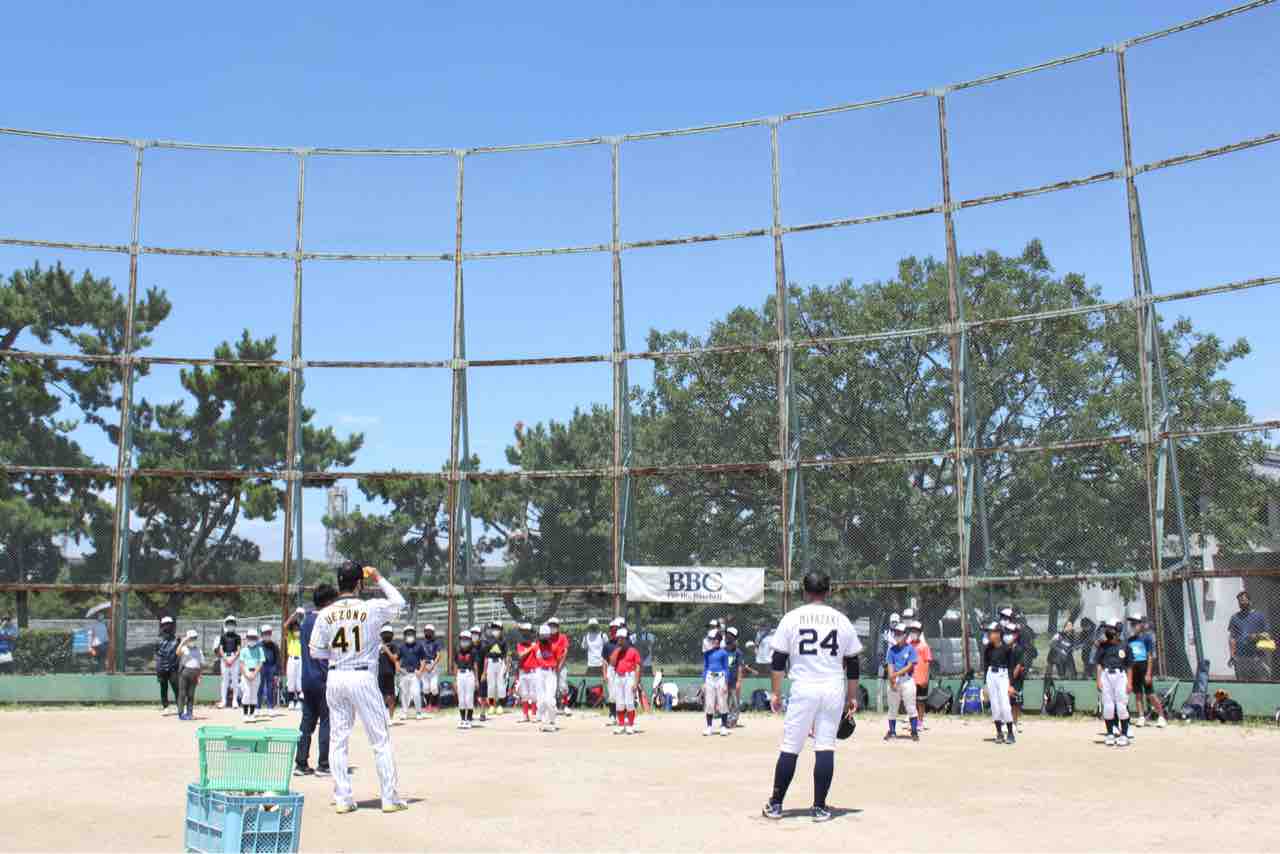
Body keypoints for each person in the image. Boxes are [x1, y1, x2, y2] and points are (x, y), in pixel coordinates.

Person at [308, 561, 408, 814]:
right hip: (362, 676)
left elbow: (315, 652)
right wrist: (378, 577)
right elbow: (399, 603)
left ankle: (343, 798)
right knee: (380, 739)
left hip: (335, 676)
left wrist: (337, 655)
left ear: (338, 583)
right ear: (359, 583)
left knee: (337, 740)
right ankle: (389, 798)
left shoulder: (325, 613)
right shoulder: (370, 607)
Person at [762, 572, 862, 823]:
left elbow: (778, 661)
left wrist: (775, 692)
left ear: (804, 591)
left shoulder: (791, 618)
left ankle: (776, 804)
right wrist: (852, 696)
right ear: (828, 591)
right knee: (825, 746)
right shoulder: (841, 620)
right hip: (832, 687)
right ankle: (819, 808)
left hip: (803, 687)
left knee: (791, 746)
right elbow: (853, 663)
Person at [295, 584, 338, 778]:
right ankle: (324, 764)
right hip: (322, 677)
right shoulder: (325, 621)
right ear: (328, 602)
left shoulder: (306, 621)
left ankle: (301, 763)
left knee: (307, 721)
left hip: (307, 677)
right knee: (327, 721)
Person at [1125, 613, 1168, 728]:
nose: (1133, 626)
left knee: (1150, 694)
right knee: (1138, 694)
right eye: (1132, 624)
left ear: (1142, 625)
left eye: (1135, 624)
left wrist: (1148, 673)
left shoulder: (1147, 638)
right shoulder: (1130, 640)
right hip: (1134, 668)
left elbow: (1150, 656)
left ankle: (1161, 716)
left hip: (1144, 667)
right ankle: (1141, 717)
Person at [1096, 618, 1133, 747]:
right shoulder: (1103, 646)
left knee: (1121, 706)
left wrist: (1130, 683)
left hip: (1120, 676)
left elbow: (1129, 666)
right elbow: (1099, 664)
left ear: (1118, 630)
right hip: (1106, 676)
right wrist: (1098, 680)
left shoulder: (1125, 646)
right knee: (1108, 707)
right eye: (1107, 629)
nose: (1107, 631)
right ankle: (1110, 734)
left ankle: (1124, 735)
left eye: (1110, 629)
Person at [883, 623, 919, 742]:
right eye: (895, 633)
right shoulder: (892, 650)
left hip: (906, 680)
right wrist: (891, 680)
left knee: (911, 707)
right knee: (892, 708)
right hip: (895, 681)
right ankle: (892, 731)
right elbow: (890, 666)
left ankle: (914, 731)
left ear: (905, 635)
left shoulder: (910, 649)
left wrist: (896, 674)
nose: (897, 635)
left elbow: (909, 666)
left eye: (899, 633)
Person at [982, 622, 1016, 745]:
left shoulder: (1007, 648)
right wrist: (985, 684)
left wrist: (1011, 685)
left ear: (998, 634)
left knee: (1005, 705)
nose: (989, 635)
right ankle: (999, 733)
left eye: (991, 632)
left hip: (1003, 675)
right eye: (989, 633)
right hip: (991, 675)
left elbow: (1011, 667)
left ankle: (1010, 733)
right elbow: (986, 666)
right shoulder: (988, 648)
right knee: (995, 705)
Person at [1228, 590, 1271, 682]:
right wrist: (1232, 654)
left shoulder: (1259, 616)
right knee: (1242, 683)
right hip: (1240, 658)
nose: (1242, 603)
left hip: (1257, 657)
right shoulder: (1235, 618)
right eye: (1240, 602)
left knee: (1260, 681)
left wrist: (1256, 636)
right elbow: (1232, 637)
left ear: (1250, 601)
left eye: (1244, 601)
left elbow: (1267, 635)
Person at [610, 627, 642, 735]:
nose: (620, 640)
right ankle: (620, 725)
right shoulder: (617, 651)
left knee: (629, 702)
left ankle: (630, 725)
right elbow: (612, 663)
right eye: (619, 638)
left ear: (627, 639)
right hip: (618, 677)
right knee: (619, 702)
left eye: (622, 638)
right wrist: (617, 650)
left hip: (629, 677)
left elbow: (638, 667)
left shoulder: (633, 651)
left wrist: (636, 682)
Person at [533, 624, 561, 733]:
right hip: (539, 672)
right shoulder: (536, 647)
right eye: (542, 636)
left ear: (549, 636)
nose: (543, 638)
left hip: (550, 672)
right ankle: (544, 722)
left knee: (549, 699)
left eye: (545, 636)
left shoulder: (554, 646)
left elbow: (558, 660)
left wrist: (555, 673)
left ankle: (552, 720)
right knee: (541, 700)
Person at [907, 620, 932, 731]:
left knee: (920, 702)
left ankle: (920, 722)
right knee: (910, 701)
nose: (914, 633)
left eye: (916, 631)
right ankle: (912, 722)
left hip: (921, 679)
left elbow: (927, 663)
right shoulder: (907, 645)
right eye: (912, 631)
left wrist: (925, 679)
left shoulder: (924, 646)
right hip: (910, 678)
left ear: (920, 633)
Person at [396, 626, 425, 721]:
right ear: (404, 635)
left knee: (416, 693)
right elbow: (397, 659)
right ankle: (404, 712)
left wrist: (420, 671)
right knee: (404, 694)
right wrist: (399, 668)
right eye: (408, 633)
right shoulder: (401, 646)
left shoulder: (419, 646)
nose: (410, 635)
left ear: (414, 634)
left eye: (411, 633)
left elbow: (423, 659)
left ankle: (419, 712)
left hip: (415, 674)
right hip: (404, 674)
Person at [213, 616, 242, 709]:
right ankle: (223, 701)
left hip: (235, 658)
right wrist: (225, 659)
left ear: (235, 625)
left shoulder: (238, 637)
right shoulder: (223, 636)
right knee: (224, 680)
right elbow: (221, 649)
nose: (230, 625)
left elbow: (239, 649)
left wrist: (233, 659)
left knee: (235, 680)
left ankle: (234, 701)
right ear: (226, 624)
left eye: (232, 623)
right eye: (229, 623)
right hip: (225, 658)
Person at [176, 629, 204, 720]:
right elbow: (177, 652)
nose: (193, 640)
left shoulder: (199, 650)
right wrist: (183, 641)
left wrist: (200, 676)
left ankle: (189, 713)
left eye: (195, 638)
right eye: (191, 638)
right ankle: (181, 714)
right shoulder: (184, 648)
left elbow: (200, 664)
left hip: (195, 673)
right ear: (187, 639)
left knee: (191, 695)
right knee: (182, 694)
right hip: (184, 672)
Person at [455, 629, 480, 729]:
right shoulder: (458, 651)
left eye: (466, 639)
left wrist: (477, 680)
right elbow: (456, 665)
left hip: (469, 674)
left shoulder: (473, 651)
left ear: (470, 640)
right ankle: (462, 719)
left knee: (469, 698)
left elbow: (475, 666)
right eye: (462, 639)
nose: (464, 641)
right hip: (460, 675)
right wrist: (455, 679)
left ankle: (469, 719)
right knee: (461, 699)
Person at [155, 616, 180, 714]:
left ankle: (180, 706)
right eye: (165, 624)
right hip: (161, 667)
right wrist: (158, 667)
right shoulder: (158, 640)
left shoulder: (177, 639)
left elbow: (179, 652)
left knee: (176, 688)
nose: (167, 626)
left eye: (169, 624)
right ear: (162, 626)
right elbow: (157, 653)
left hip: (173, 668)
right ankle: (165, 707)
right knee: (163, 688)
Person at [238, 627, 265, 721]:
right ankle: (245, 715)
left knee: (254, 694)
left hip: (256, 673)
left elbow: (260, 663)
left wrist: (255, 673)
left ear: (257, 639)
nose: (252, 640)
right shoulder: (243, 650)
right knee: (246, 694)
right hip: (246, 673)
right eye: (250, 638)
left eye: (254, 638)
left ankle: (252, 714)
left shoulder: (260, 649)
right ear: (247, 638)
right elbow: (241, 664)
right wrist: (246, 674)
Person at [515, 623, 540, 722]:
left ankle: (534, 714)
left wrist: (534, 646)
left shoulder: (536, 645)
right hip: (523, 672)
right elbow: (521, 655)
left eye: (527, 632)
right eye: (523, 632)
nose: (524, 634)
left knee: (534, 694)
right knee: (524, 694)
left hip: (533, 672)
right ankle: (525, 715)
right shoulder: (520, 644)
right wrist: (531, 648)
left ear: (531, 633)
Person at [723, 627, 746, 728]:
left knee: (735, 701)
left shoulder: (738, 652)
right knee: (725, 700)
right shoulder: (723, 651)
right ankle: (726, 720)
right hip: (724, 680)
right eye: (727, 635)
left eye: (730, 636)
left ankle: (733, 720)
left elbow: (740, 667)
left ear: (735, 638)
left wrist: (739, 681)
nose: (728, 637)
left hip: (734, 680)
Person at [548, 617, 571, 715]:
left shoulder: (562, 637)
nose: (552, 627)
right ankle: (554, 707)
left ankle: (565, 706)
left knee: (563, 686)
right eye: (551, 625)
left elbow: (565, 652)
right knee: (552, 687)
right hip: (550, 666)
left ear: (558, 627)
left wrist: (560, 665)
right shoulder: (547, 638)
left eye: (554, 625)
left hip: (561, 666)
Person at [419, 625, 443, 713]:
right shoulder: (421, 643)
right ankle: (428, 705)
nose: (428, 633)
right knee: (425, 688)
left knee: (433, 688)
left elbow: (438, 655)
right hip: (424, 665)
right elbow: (419, 656)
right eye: (427, 631)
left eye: (430, 631)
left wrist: (433, 665)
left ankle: (435, 705)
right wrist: (424, 666)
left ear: (433, 633)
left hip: (433, 665)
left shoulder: (436, 643)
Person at [377, 625, 399, 721]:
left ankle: (390, 718)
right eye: (385, 634)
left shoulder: (394, 646)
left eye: (388, 634)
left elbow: (394, 659)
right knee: (380, 696)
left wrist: (387, 650)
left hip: (390, 673)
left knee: (391, 696)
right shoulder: (377, 647)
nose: (387, 636)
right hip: (379, 674)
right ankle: (381, 717)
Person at [284, 609, 304, 709]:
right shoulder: (290, 637)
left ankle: (300, 701)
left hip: (301, 659)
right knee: (291, 680)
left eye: (297, 629)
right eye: (294, 629)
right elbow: (285, 625)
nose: (296, 631)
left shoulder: (303, 637)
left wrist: (301, 616)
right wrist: (294, 615)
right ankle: (291, 701)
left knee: (299, 681)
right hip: (291, 659)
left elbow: (304, 624)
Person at [259, 625, 280, 713]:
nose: (267, 635)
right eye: (265, 633)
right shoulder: (258, 645)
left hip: (271, 667)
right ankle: (257, 707)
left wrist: (276, 672)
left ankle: (270, 707)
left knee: (270, 687)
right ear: (261, 634)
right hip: (261, 667)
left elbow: (277, 659)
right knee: (259, 687)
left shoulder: (274, 645)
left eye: (268, 633)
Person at [582, 617, 605, 694]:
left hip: (601, 664)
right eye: (591, 625)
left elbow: (607, 647)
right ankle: (591, 697)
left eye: (594, 625)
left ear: (597, 626)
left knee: (602, 683)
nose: (593, 627)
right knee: (589, 683)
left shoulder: (602, 635)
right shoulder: (586, 636)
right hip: (591, 664)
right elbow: (584, 647)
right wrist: (585, 637)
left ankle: (601, 697)